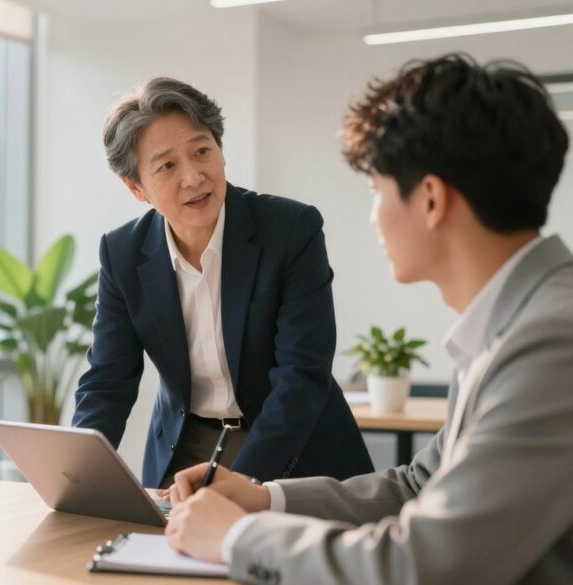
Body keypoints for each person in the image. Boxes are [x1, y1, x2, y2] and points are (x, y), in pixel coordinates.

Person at [165, 54, 573, 585]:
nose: (373, 215)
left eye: (376, 190)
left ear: (430, 199)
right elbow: (418, 485)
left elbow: (425, 563)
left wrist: (236, 538)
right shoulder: (515, 322)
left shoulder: (550, 341)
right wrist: (266, 499)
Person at [71, 77, 372, 488]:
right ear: (135, 187)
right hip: (185, 449)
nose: (193, 177)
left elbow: (301, 376)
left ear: (221, 152)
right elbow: (109, 380)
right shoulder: (123, 253)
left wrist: (237, 485)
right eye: (167, 166)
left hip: (293, 449)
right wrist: (74, 476)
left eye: (201, 151)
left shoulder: (289, 230)